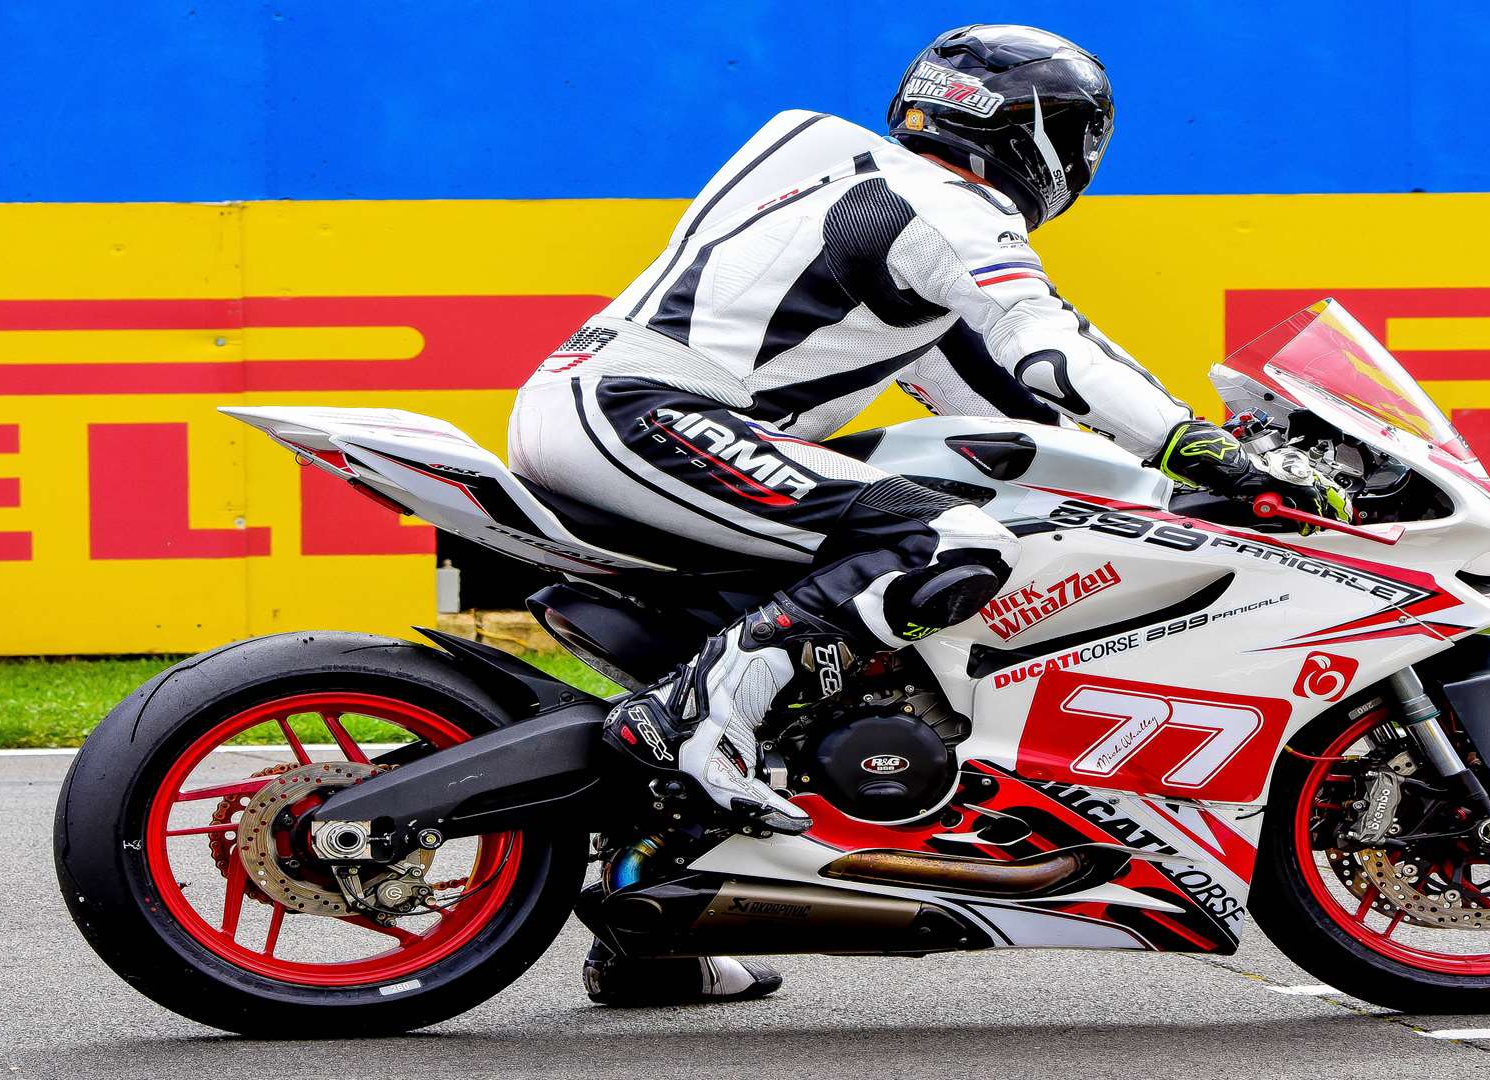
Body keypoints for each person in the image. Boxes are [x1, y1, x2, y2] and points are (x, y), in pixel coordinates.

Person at [507, 23, 1351, 1006]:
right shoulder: (948, 207)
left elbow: (1002, 402)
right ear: (1036, 133)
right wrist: (1203, 448)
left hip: (611, 412)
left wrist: (1154, 482)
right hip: (646, 418)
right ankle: (691, 726)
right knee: (944, 542)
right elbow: (1048, 346)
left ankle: (659, 923)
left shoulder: (855, 185)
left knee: (884, 577)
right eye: (1079, 136)